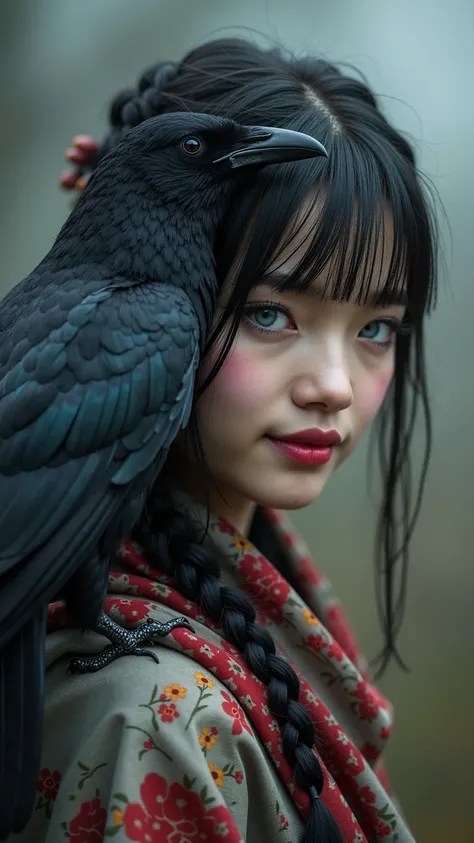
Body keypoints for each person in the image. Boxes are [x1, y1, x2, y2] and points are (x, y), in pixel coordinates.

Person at [25, 37, 438, 843]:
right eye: (271, 314)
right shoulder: (159, 730)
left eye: (378, 327)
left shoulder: (241, 600)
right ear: (152, 306)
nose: (335, 384)